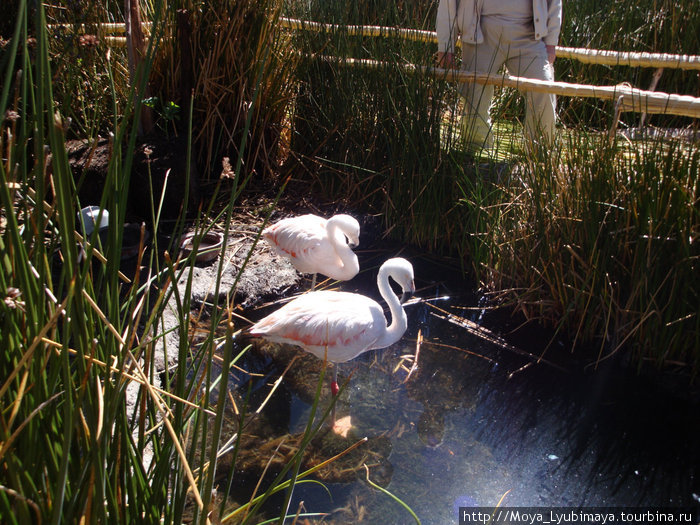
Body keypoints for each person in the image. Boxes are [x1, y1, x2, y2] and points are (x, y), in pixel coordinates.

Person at [435, 0, 562, 149]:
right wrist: (445, 46)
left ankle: (540, 156)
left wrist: (551, 42)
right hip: (478, 31)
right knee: (474, 99)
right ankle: (477, 153)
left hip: (529, 35)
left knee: (544, 89)